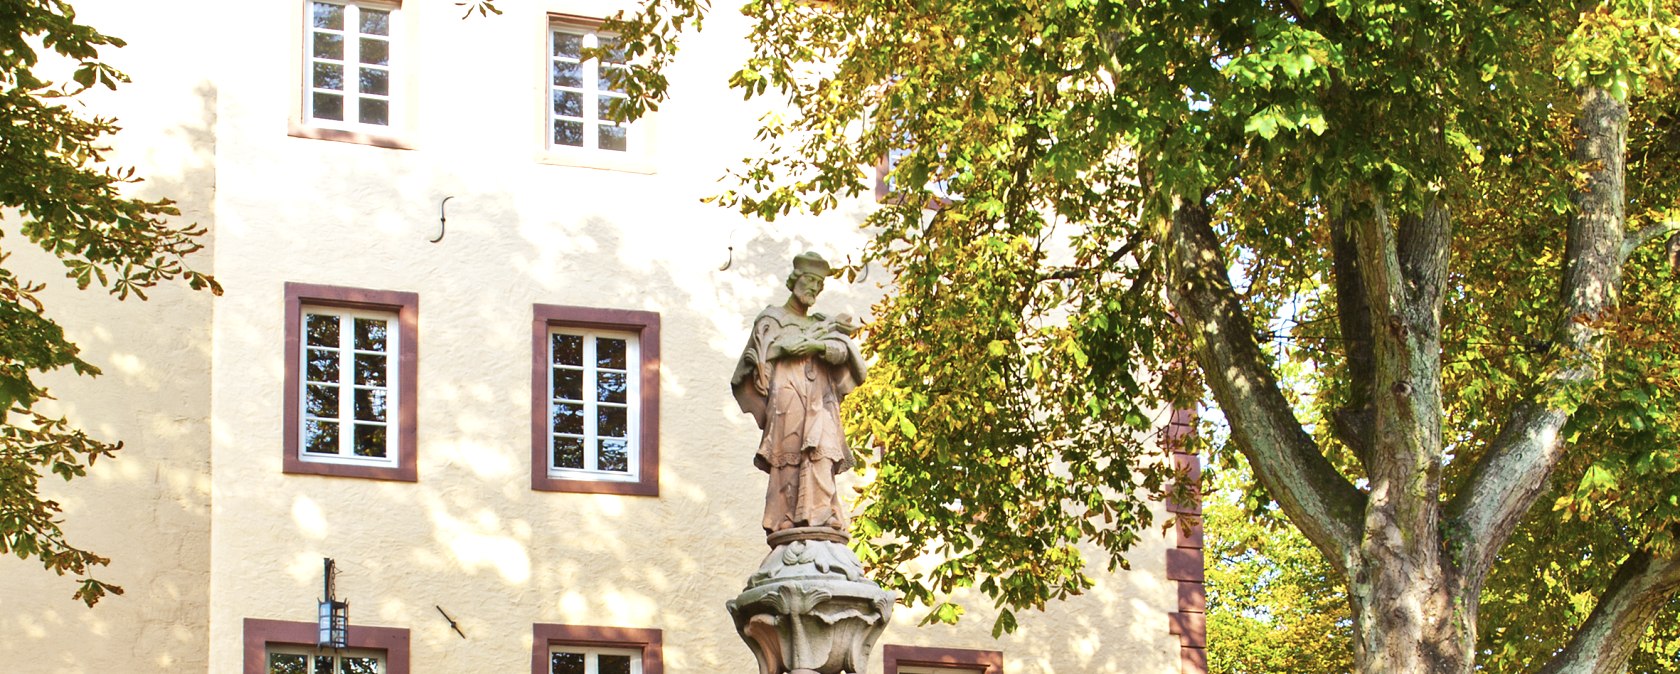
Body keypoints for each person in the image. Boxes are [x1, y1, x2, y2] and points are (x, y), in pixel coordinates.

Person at [731, 252, 868, 534]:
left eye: (819, 284)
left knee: (823, 451)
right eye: (810, 280)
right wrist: (782, 350)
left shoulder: (822, 322)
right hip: (787, 396)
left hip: (822, 399)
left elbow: (843, 352)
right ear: (795, 280)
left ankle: (821, 515)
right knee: (788, 453)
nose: (814, 289)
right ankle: (785, 518)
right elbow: (756, 361)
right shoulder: (773, 320)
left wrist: (817, 348)